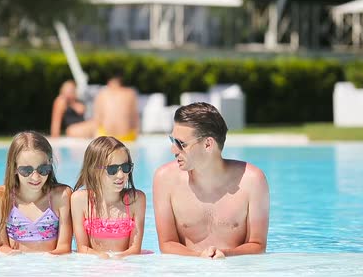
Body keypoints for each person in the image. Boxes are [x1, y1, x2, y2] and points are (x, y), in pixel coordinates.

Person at [153, 102, 269, 259]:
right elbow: (167, 244)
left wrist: (224, 255)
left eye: (181, 144)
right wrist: (199, 257)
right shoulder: (165, 179)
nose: (173, 150)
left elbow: (258, 245)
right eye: (172, 141)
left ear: (208, 144)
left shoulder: (252, 181)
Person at [0, 131, 73, 254]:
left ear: (50, 163)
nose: (35, 177)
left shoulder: (60, 196)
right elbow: (2, 246)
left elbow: (64, 247)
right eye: (26, 170)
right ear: (14, 168)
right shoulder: (0, 197)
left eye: (43, 169)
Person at [71, 136, 146, 258]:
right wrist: (102, 258)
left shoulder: (136, 199)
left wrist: (117, 260)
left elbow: (135, 249)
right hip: (94, 263)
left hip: (125, 262)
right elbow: (82, 248)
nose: (121, 175)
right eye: (112, 169)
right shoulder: (80, 200)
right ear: (93, 170)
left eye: (126, 167)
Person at [93, 74, 139, 142]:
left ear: (109, 83)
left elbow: (97, 118)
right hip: (126, 136)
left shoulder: (102, 94)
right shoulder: (130, 93)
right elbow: (134, 117)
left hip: (105, 136)